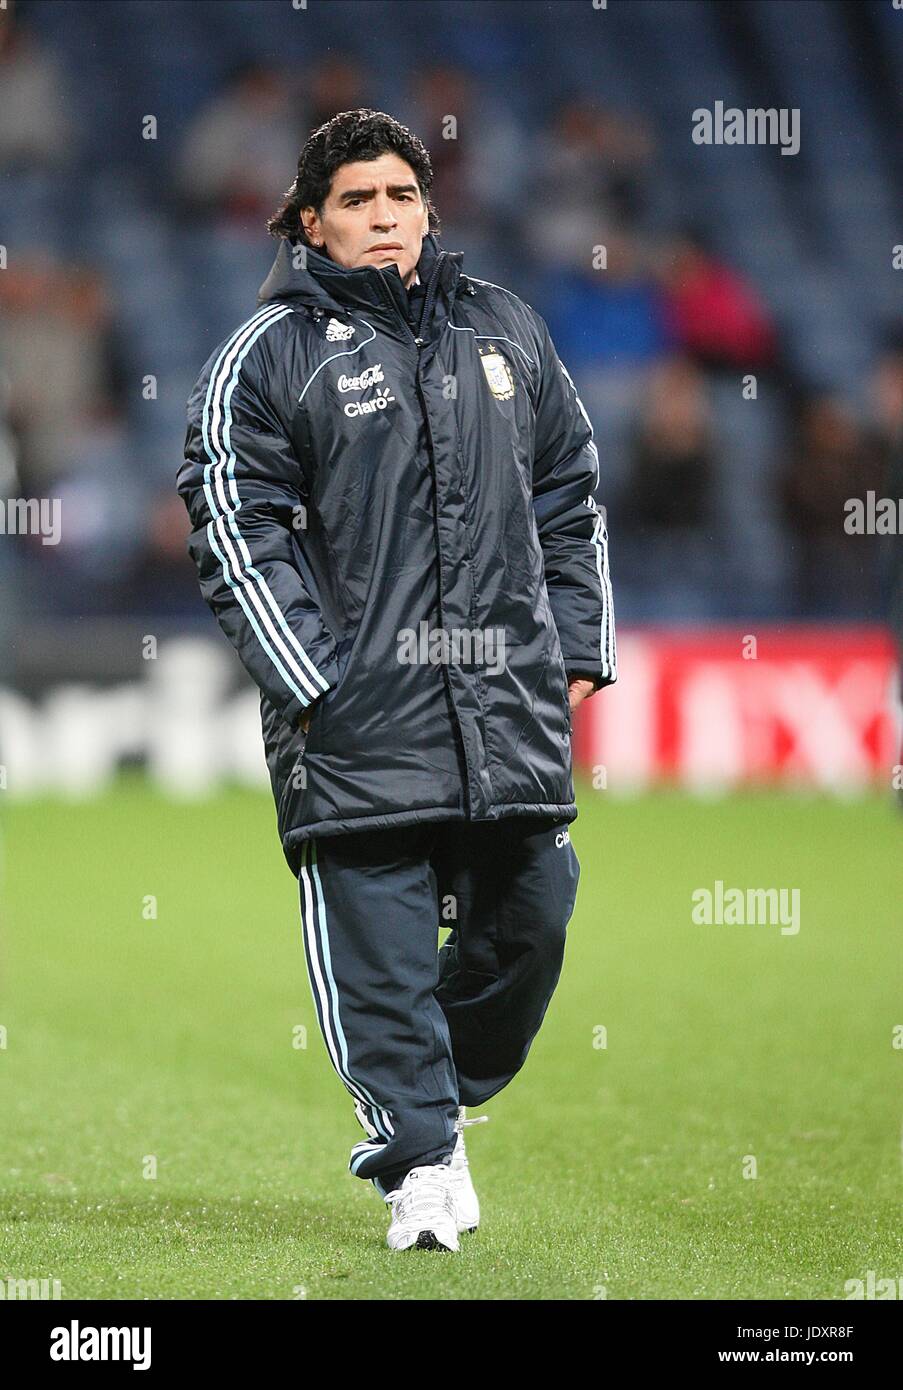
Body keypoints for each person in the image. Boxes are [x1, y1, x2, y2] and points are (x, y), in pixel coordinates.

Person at [177, 108, 616, 1252]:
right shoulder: (267, 354)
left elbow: (570, 494)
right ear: (311, 222)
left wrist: (575, 650)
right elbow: (231, 519)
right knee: (378, 965)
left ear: (429, 209)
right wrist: (311, 678)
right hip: (356, 726)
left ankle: (441, 1101)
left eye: (403, 196)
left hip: (507, 710)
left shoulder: (506, 328)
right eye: (359, 199)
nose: (385, 216)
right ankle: (419, 1163)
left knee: (533, 923)